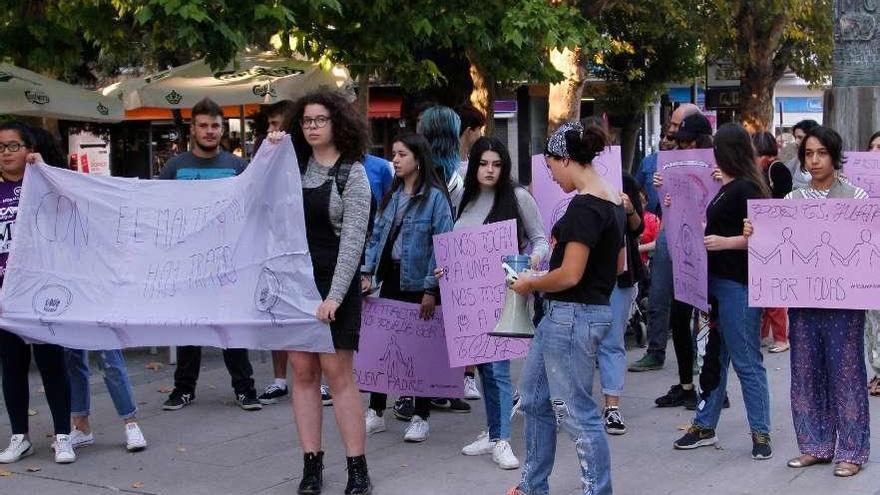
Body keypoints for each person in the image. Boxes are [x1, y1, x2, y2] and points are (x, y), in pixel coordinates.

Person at [507, 121, 625, 495]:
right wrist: (548, 275)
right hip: (569, 314)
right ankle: (531, 485)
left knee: (578, 414)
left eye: (551, 167)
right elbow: (615, 266)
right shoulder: (611, 199)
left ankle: (597, 489)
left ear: (565, 159)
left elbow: (571, 275)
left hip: (573, 315)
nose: (552, 177)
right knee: (535, 399)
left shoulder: (586, 207)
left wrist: (531, 281)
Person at [747, 125, 870, 476]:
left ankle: (852, 450)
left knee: (846, 374)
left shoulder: (856, 199)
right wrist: (755, 232)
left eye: (821, 154)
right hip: (803, 303)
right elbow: (774, 248)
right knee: (806, 373)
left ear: (835, 156)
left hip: (844, 305)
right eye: (809, 154)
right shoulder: (792, 202)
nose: (814, 161)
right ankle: (815, 445)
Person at [279, 90, 373, 495]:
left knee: (338, 375)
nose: (312, 127)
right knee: (301, 372)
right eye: (306, 121)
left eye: (319, 120)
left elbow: (353, 241)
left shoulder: (353, 174)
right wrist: (269, 150)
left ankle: (357, 468)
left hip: (335, 283)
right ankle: (311, 466)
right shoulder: (290, 168)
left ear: (337, 123)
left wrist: (333, 297)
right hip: (295, 284)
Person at [445, 136, 547, 468]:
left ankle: (502, 439)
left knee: (499, 369)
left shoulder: (518, 197)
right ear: (473, 165)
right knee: (484, 369)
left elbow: (540, 239)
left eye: (497, 164)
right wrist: (444, 267)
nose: (490, 170)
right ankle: (492, 433)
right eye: (484, 163)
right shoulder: (465, 199)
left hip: (503, 296)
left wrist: (530, 263)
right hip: (469, 299)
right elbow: (457, 245)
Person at [672, 123, 772, 461]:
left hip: (737, 285)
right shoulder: (731, 187)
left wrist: (725, 242)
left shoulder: (747, 189)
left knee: (745, 361)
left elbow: (763, 235)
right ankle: (705, 424)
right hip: (718, 285)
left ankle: (760, 433)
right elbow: (716, 227)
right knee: (716, 357)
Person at [158, 98, 261, 412]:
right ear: (193, 129)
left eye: (215, 125)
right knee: (188, 325)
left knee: (231, 326)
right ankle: (183, 389)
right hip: (187, 261)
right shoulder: (174, 167)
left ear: (222, 128)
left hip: (229, 261)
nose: (209, 131)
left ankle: (245, 389)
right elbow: (160, 209)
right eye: (203, 125)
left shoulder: (238, 167)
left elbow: (252, 208)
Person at [361, 133, 453, 443]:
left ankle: (420, 415)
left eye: (402, 154)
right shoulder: (393, 194)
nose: (396, 160)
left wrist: (431, 289)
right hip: (390, 278)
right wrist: (366, 272)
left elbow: (442, 246)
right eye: (394, 154)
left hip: (419, 283)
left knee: (419, 351)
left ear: (418, 158)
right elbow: (376, 236)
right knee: (381, 345)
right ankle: (376, 411)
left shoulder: (436, 198)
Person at [0, 122, 75, 464]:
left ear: (28, 149)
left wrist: (46, 171)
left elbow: (72, 208)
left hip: (42, 293)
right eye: (0, 147)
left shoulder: (45, 184)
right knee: (12, 367)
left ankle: (62, 436)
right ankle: (20, 436)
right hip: (6, 298)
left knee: (52, 365)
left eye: (12, 146)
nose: (5, 153)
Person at [629, 104, 703, 375]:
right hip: (664, 232)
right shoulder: (654, 161)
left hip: (697, 236)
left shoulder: (709, 159)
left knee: (694, 300)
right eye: (671, 125)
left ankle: (696, 354)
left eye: (676, 125)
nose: (671, 130)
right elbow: (639, 193)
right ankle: (655, 351)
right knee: (658, 294)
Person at [414, 105, 472, 415]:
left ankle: (427, 390)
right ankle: (441, 388)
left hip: (424, 254)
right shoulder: (454, 174)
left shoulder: (425, 172)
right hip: (448, 255)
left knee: (429, 327)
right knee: (444, 325)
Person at [601, 171, 644, 436]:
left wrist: (628, 209)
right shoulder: (570, 180)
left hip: (619, 274)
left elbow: (638, 228)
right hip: (579, 274)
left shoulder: (623, 180)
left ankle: (612, 406)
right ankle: (566, 405)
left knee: (612, 340)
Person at [751, 131, 792, 353]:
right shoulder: (767, 170)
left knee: (773, 290)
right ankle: (764, 334)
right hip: (767, 234)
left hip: (775, 234)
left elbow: (783, 201)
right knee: (765, 289)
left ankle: (780, 337)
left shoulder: (776, 169)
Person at [867, 131, 880, 397]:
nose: (875, 152)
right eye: (872, 147)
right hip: (868, 262)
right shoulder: (859, 188)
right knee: (873, 322)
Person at [785, 119, 819, 191]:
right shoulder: (794, 163)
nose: (796, 142)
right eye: (795, 137)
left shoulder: (828, 161)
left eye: (800, 137)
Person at [455, 103, 487, 179]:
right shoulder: (446, 169)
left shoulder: (477, 163)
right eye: (479, 129)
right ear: (469, 131)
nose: (481, 135)